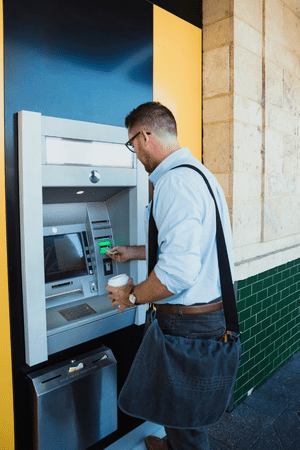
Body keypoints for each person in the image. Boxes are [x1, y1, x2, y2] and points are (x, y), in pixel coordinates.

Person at [105, 102, 234, 450]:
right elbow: (189, 246)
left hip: (188, 325)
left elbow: (177, 273)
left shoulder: (174, 183)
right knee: (177, 405)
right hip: (205, 317)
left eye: (132, 144)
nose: (135, 154)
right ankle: (172, 445)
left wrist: (130, 296)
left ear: (145, 136)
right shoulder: (198, 174)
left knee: (184, 414)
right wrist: (134, 251)